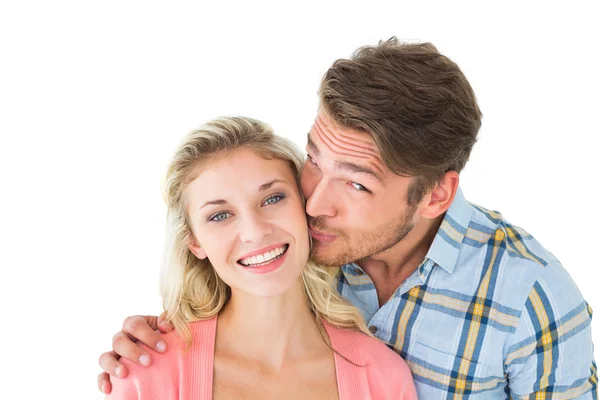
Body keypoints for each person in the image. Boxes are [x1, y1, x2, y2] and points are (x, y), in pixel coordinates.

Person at [99, 38, 597, 398]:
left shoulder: (530, 295)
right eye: (315, 159)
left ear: (435, 195)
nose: (313, 203)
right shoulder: (306, 246)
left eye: (357, 183)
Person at [106, 116, 417, 399]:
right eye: (220, 216)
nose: (255, 232)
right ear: (194, 242)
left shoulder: (382, 377)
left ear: (305, 206)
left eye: (272, 198)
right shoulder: (146, 375)